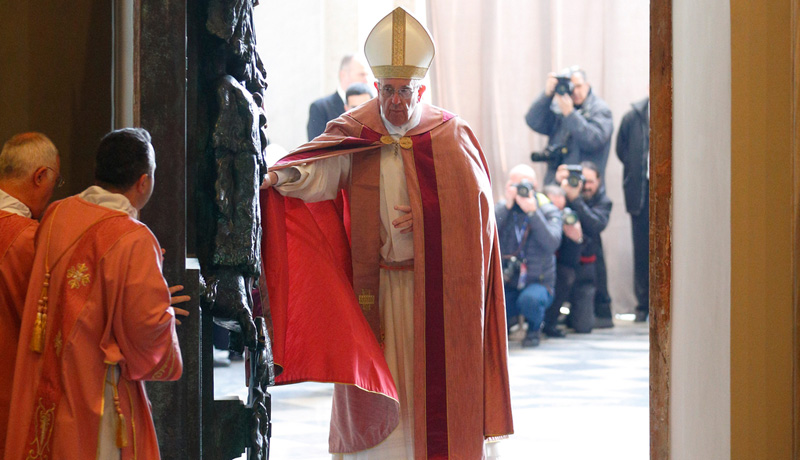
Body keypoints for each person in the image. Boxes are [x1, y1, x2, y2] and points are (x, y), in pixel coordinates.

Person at [262, 7, 512, 459]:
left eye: (406, 92)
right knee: (377, 393)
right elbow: (320, 172)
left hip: (430, 295)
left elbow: (481, 221)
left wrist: (433, 219)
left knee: (429, 394)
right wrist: (280, 178)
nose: (397, 102)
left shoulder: (451, 136)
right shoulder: (356, 131)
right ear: (377, 87)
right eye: (389, 91)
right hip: (372, 290)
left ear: (421, 89)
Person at [4, 128, 190, 460]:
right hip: (98, 387)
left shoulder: (57, 213)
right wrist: (166, 314)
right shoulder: (134, 237)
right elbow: (145, 328)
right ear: (143, 182)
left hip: (49, 376)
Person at [0, 132, 61, 458]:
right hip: (9, 390)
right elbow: (67, 309)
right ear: (41, 176)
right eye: (55, 181)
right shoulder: (28, 240)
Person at [496, 164, 562, 347]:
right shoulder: (503, 209)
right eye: (514, 185)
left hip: (538, 282)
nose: (519, 190)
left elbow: (552, 243)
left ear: (534, 185)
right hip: (509, 280)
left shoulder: (547, 209)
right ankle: (505, 328)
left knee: (530, 300)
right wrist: (505, 207)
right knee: (494, 300)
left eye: (523, 185)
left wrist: (533, 213)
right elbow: (484, 234)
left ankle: (534, 329)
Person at [525, 67, 614, 185]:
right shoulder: (559, 108)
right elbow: (533, 121)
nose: (575, 92)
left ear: (587, 85)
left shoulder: (600, 110)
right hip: (556, 183)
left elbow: (593, 140)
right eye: (571, 87)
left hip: (586, 185)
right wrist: (546, 96)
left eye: (578, 86)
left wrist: (570, 114)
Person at [552, 162, 611, 333]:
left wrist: (575, 200)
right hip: (561, 265)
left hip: (586, 268)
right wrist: (557, 184)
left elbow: (595, 225)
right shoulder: (561, 194)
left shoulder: (603, 201)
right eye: (580, 180)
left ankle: (575, 314)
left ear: (599, 182)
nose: (584, 185)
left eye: (590, 181)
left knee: (583, 326)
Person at [617, 97, 650, 322]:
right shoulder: (633, 116)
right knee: (641, 250)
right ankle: (643, 304)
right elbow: (622, 151)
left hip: (670, 187)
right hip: (640, 191)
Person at [543, 184, 583, 338]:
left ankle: (550, 322)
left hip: (559, 266)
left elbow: (572, 261)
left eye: (560, 209)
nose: (557, 214)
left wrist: (575, 239)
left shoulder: (569, 218)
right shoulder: (536, 216)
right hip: (538, 263)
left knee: (566, 275)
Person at [307, 54, 370, 140]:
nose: (366, 80)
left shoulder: (372, 104)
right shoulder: (321, 108)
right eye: (361, 75)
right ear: (343, 75)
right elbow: (316, 148)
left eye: (367, 75)